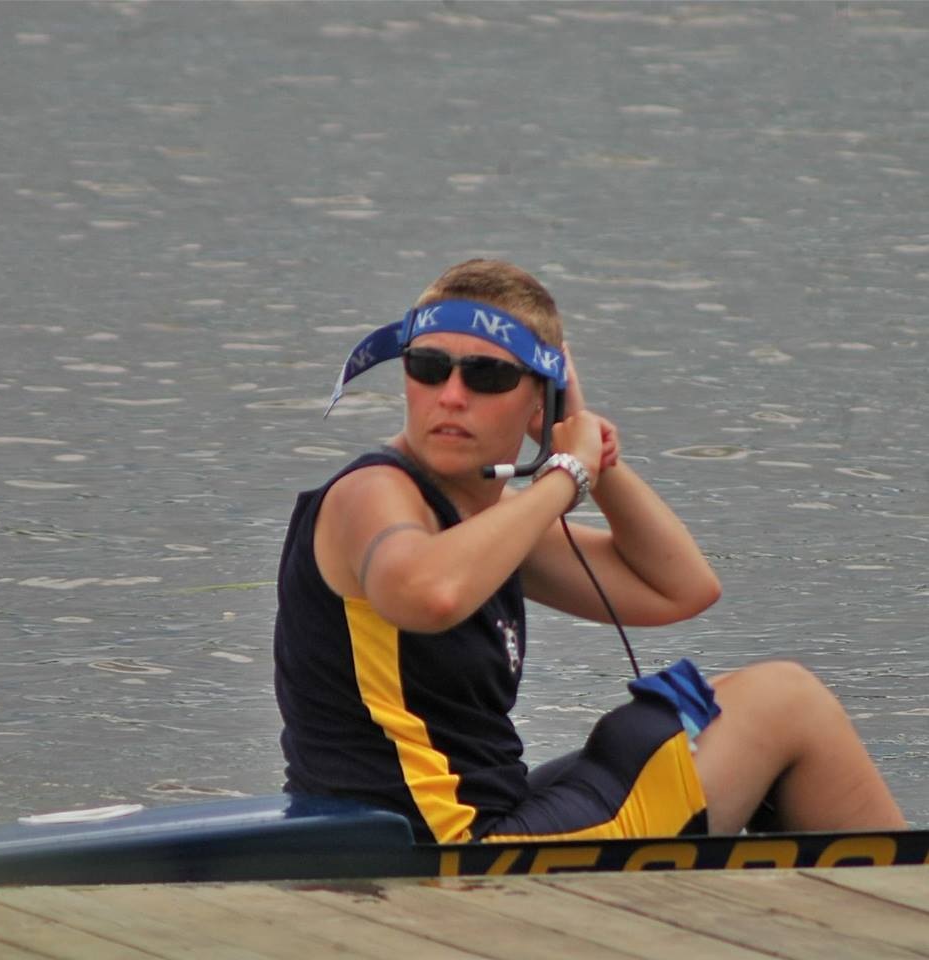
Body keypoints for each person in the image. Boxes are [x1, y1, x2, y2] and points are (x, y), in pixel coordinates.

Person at [273, 258, 906, 843]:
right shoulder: (371, 494)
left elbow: (680, 589)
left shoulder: (489, 522)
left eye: (488, 375)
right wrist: (563, 475)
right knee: (787, 701)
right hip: (450, 846)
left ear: (537, 398)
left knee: (712, 708)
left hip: (485, 813)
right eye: (429, 367)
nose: (452, 395)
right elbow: (425, 593)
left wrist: (591, 451)